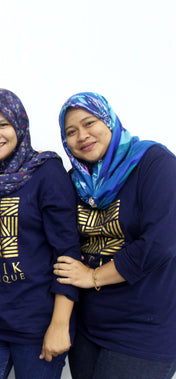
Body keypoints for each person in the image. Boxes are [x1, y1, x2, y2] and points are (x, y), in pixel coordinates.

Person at [0, 88, 81, 379]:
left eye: (2, 124)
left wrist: (60, 324)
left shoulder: (45, 171)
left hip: (39, 322)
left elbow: (67, 251)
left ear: (19, 125)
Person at [54, 92, 176, 379]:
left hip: (144, 329)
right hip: (90, 327)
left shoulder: (154, 163)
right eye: (71, 132)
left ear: (109, 121)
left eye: (89, 123)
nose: (81, 136)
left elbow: (160, 244)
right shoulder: (77, 181)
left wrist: (92, 276)